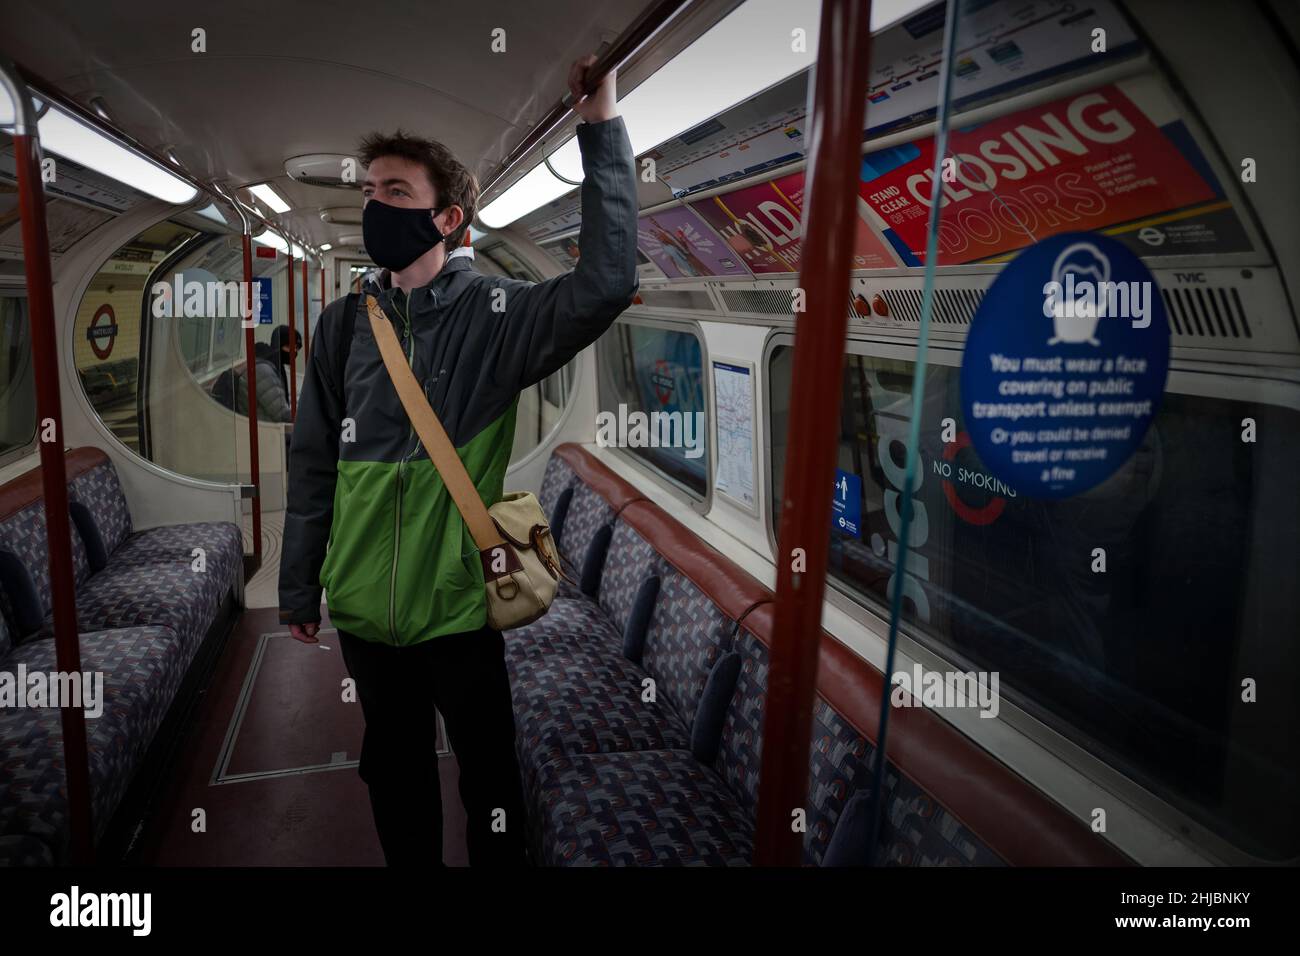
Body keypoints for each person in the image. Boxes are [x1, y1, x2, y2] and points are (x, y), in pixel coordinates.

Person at [277, 55, 638, 867]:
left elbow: (608, 282)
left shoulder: (496, 314)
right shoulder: (343, 326)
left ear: (448, 219)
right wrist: (301, 583)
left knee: (490, 778)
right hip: (366, 606)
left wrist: (600, 128)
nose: (375, 205)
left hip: (461, 605)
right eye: (369, 191)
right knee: (394, 771)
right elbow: (312, 464)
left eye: (397, 193)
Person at [233, 325, 301, 424]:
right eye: (289, 347)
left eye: (296, 348)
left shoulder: (273, 365)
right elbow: (283, 415)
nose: (294, 352)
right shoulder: (264, 372)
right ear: (278, 346)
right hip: (265, 431)